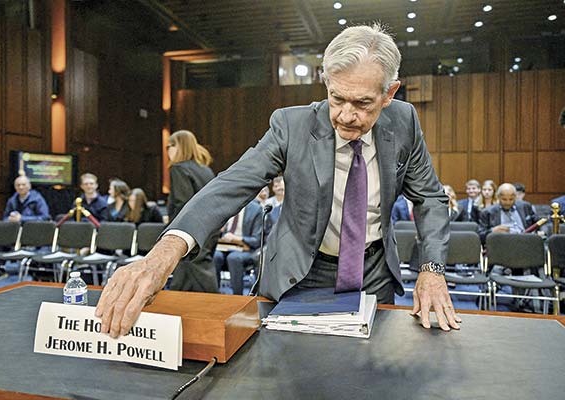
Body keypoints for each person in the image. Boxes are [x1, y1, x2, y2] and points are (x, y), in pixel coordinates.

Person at [96, 23, 459, 338]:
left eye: (363, 103)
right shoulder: (290, 126)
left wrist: (432, 269)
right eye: (337, 98)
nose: (346, 116)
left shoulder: (404, 121)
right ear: (326, 83)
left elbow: (429, 199)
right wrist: (163, 255)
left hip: (374, 271)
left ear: (389, 94)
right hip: (301, 272)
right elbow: (231, 185)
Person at [164, 130, 219, 293]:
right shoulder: (205, 169)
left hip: (189, 231)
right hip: (209, 228)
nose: (168, 151)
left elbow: (183, 203)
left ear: (178, 147)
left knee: (190, 276)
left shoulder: (179, 168)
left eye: (169, 146)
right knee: (198, 275)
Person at [0, 175, 51, 280]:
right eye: (18, 185)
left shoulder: (37, 199)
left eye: (23, 185)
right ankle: (0, 267)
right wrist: (10, 219)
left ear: (29, 186)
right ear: (15, 187)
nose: (21, 187)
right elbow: (5, 217)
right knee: (2, 237)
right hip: (15, 232)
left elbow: (45, 218)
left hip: (33, 232)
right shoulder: (12, 200)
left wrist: (22, 218)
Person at [214, 199, 263, 295]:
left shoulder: (256, 209)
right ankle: (214, 294)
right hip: (224, 246)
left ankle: (238, 296)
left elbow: (256, 240)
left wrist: (237, 238)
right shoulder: (225, 206)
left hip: (246, 249)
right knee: (215, 256)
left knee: (234, 258)